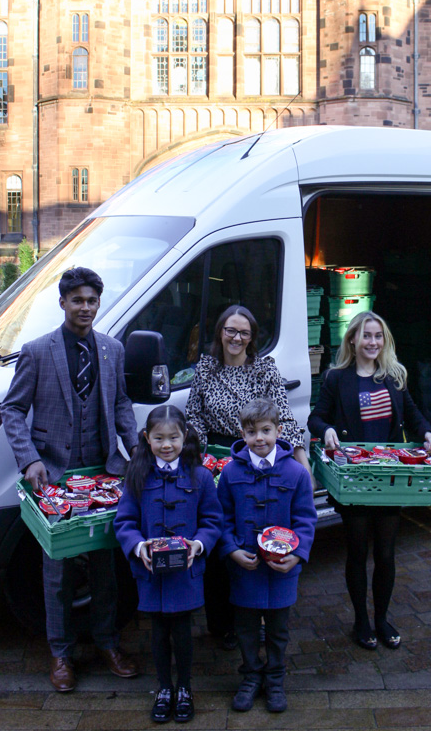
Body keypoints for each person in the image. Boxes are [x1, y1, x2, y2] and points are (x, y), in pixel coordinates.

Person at [1, 266, 140, 692]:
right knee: (56, 570)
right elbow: (12, 410)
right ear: (62, 303)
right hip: (54, 479)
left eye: (91, 300)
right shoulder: (37, 351)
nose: (85, 307)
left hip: (101, 475)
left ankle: (108, 643)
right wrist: (29, 461)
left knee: (104, 567)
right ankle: (60, 654)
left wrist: (135, 451)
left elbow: (120, 406)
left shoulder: (112, 350)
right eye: (77, 300)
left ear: (99, 304)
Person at [307, 311, 431, 650]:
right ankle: (361, 621)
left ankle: (381, 617)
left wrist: (425, 433)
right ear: (352, 339)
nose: (373, 342)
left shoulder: (394, 376)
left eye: (378, 336)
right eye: (367, 336)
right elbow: (315, 418)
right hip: (356, 479)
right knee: (357, 551)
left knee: (387, 553)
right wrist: (328, 429)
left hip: (389, 478)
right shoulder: (337, 378)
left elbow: (412, 413)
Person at [185, 305, 309, 649]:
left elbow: (282, 414)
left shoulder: (265, 369)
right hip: (215, 459)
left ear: (252, 338)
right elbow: (194, 414)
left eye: (243, 332)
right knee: (218, 536)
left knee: (255, 534)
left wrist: (300, 457)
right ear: (220, 332)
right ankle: (222, 624)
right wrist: (201, 459)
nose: (236, 338)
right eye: (230, 330)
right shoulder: (207, 368)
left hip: (255, 459)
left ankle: (262, 618)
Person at [113, 405, 223, 723]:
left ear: (184, 436)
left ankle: (184, 688)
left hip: (186, 571)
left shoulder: (200, 476)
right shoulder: (137, 475)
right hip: (150, 573)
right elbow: (125, 521)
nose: (166, 445)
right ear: (147, 438)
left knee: (183, 631)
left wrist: (199, 544)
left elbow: (213, 520)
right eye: (159, 438)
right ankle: (164, 688)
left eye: (173, 437)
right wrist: (138, 545)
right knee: (158, 631)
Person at [217, 398, 316, 714]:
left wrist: (297, 555)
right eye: (251, 432)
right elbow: (222, 517)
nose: (259, 438)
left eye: (266, 430)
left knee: (278, 629)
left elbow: (305, 519)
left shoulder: (297, 474)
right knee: (245, 628)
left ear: (279, 430)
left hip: (281, 569)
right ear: (242, 434)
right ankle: (250, 677)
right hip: (245, 566)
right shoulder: (231, 473)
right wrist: (231, 550)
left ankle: (275, 679)